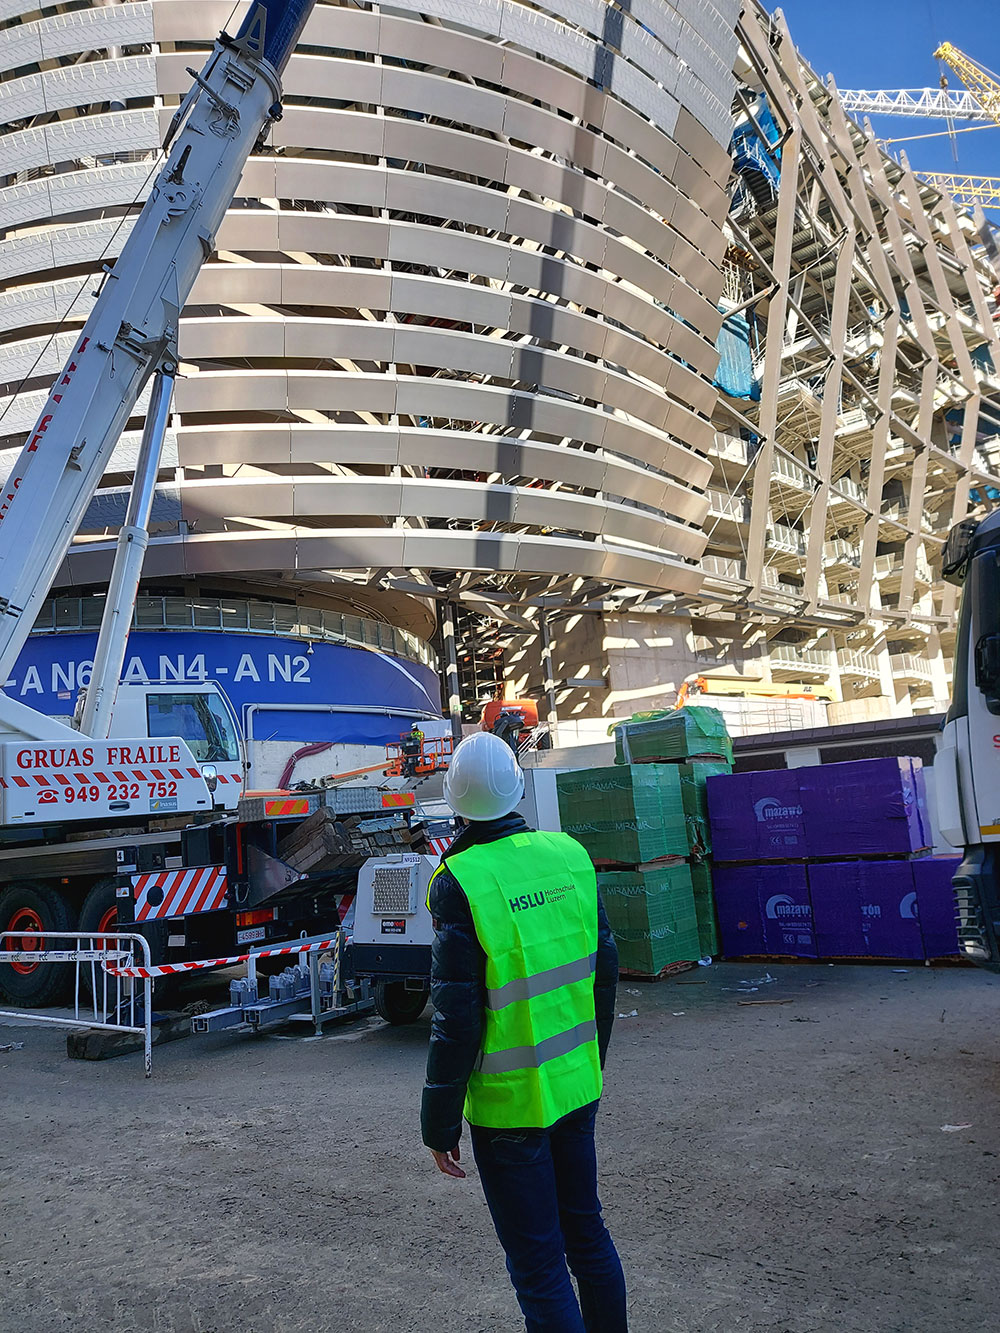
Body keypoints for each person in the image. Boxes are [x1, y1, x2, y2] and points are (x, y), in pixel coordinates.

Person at [421, 732, 626, 1333]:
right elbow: (603, 978)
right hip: (575, 1086)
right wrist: (591, 1067)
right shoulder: (569, 856)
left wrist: (438, 1123)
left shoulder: (459, 880)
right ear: (517, 788)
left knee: (539, 1266)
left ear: (457, 802)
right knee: (586, 1234)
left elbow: (455, 1021)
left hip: (511, 1108)